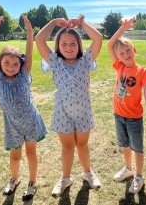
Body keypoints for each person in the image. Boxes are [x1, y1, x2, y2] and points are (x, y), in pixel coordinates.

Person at [35, 14, 103, 197]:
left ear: (79, 45)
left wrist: (82, 24)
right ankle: (66, 178)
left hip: (83, 112)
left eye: (73, 43)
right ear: (58, 46)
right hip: (62, 112)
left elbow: (98, 38)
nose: (68, 47)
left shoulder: (86, 60)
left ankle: (88, 173)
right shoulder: (55, 62)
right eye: (63, 44)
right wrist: (53, 22)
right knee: (67, 147)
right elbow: (39, 39)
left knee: (82, 145)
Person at [0, 14, 48, 201]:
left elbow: (29, 53)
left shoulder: (23, 75)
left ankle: (32, 182)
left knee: (31, 153)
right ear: (0, 63)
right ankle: (14, 179)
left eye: (15, 64)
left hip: (30, 121)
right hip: (12, 125)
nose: (11, 67)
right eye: (6, 63)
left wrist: (30, 32)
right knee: (14, 156)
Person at [107, 17, 146, 194]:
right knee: (124, 145)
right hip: (118, 115)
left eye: (128, 50)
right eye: (121, 53)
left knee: (137, 148)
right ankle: (128, 168)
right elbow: (110, 45)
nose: (125, 55)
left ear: (134, 49)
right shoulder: (119, 67)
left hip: (133, 118)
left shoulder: (142, 71)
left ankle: (139, 176)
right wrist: (122, 28)